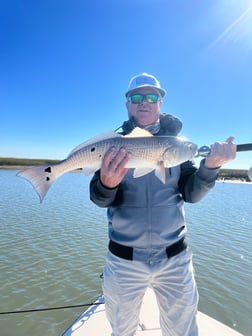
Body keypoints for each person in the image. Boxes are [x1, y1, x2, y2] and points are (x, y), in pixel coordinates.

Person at [89, 72, 236, 336]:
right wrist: (107, 184)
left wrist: (211, 167)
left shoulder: (180, 147)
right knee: (121, 331)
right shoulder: (114, 144)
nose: (143, 102)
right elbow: (98, 198)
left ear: (160, 103)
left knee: (182, 331)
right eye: (136, 97)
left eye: (151, 96)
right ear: (127, 104)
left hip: (175, 259)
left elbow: (192, 194)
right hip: (123, 261)